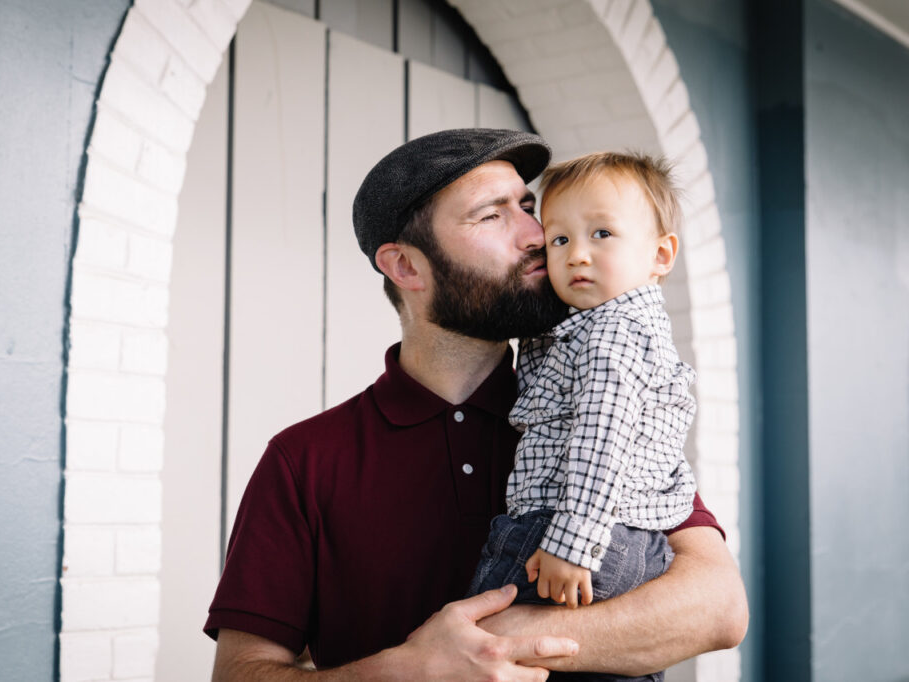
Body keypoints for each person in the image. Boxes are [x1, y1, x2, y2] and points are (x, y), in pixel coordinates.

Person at [205, 129, 747, 680]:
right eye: (492, 216)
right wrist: (411, 671)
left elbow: (720, 608)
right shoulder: (304, 460)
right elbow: (240, 673)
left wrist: (504, 639)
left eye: (528, 208)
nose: (537, 235)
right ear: (406, 267)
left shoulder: (585, 408)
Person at [466, 152, 697, 682]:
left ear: (661, 254)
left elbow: (601, 441)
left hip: (569, 531)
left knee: (473, 646)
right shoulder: (601, 329)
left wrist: (572, 544)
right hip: (630, 541)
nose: (577, 256)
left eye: (602, 234)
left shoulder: (613, 334)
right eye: (560, 239)